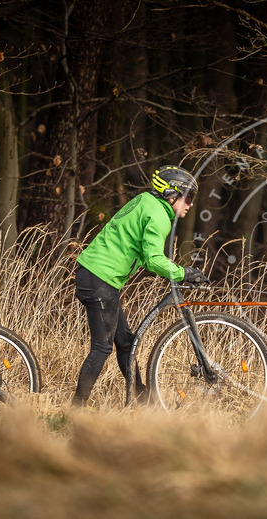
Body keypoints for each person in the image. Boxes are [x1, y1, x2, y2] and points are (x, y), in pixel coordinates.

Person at [71, 165, 207, 406]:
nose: (191, 204)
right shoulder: (159, 216)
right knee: (102, 347)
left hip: (95, 274)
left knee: (125, 342)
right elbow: (153, 259)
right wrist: (182, 273)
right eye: (188, 197)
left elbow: (143, 252)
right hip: (99, 277)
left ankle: (144, 401)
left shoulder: (145, 201)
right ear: (171, 194)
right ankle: (75, 409)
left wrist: (173, 270)